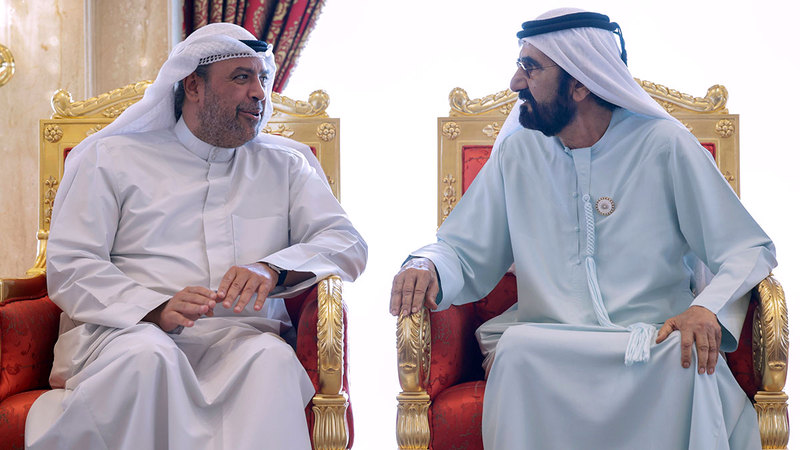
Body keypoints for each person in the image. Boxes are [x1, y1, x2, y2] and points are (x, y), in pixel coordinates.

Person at [390, 8, 775, 450]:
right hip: (551, 347)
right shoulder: (519, 153)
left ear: (580, 84)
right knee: (516, 353)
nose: (515, 82)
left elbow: (748, 248)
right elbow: (463, 248)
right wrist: (427, 264)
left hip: (649, 342)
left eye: (530, 68)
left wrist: (706, 308)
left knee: (685, 361)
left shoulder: (664, 146)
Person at [25, 23, 367, 450]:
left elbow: (346, 242)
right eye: (241, 77)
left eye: (262, 78)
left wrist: (273, 269)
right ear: (193, 85)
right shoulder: (110, 158)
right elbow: (71, 264)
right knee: (149, 359)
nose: (259, 93)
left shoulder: (287, 164)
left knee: (274, 361)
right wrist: (155, 307)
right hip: (127, 335)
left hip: (242, 339)